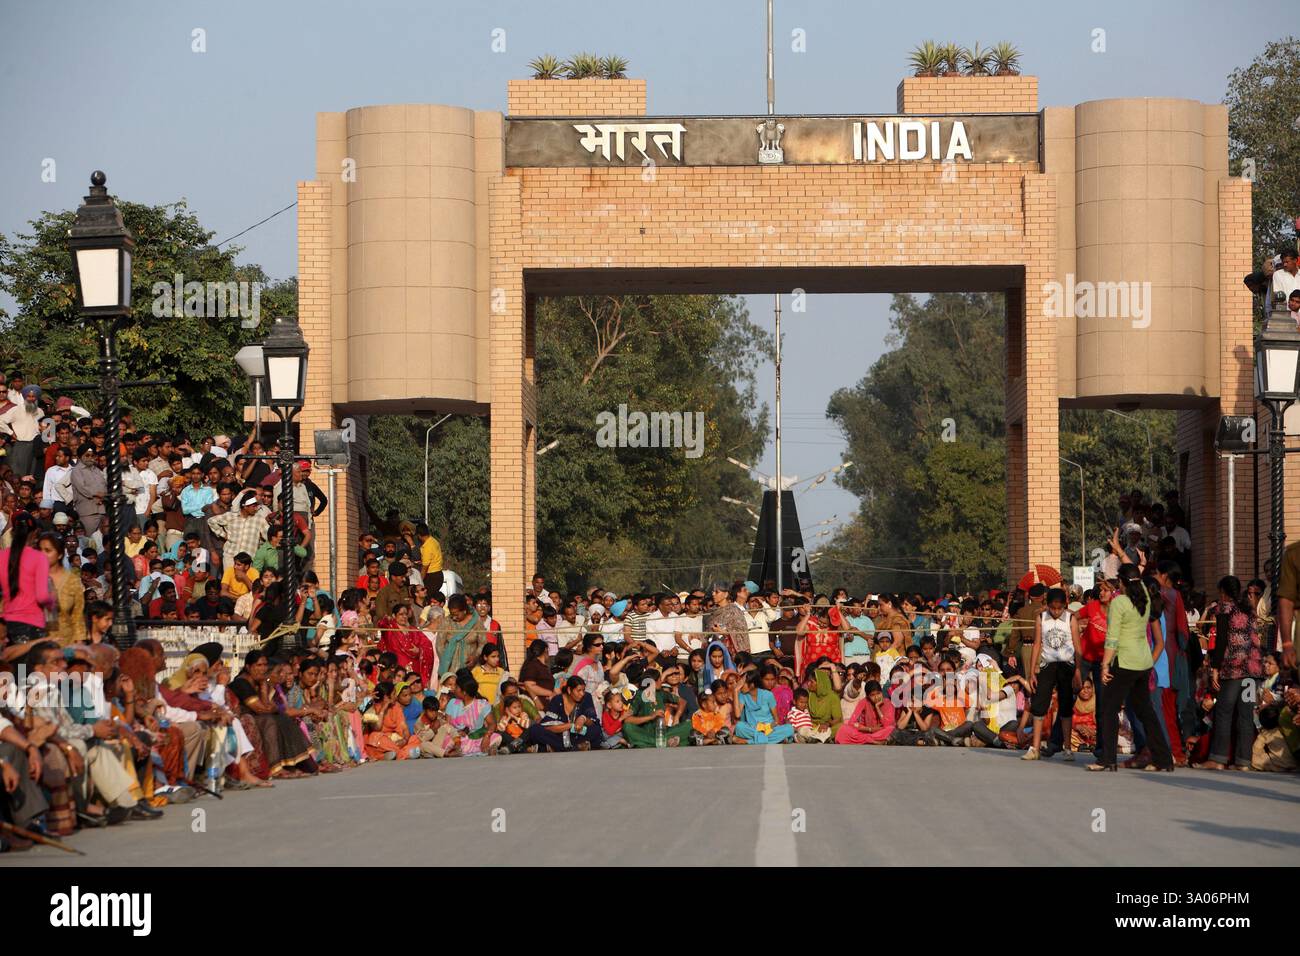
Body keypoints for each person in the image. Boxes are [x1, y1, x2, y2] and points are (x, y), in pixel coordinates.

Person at [1091, 565, 1175, 772]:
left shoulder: (1119, 602)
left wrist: (1105, 666)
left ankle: (1107, 759)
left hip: (1126, 661)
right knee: (1146, 711)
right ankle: (1164, 759)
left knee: (1108, 709)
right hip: (1144, 661)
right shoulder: (1145, 596)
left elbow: (1112, 637)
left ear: (1121, 582)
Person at [1200, 576, 1264, 771]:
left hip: (1234, 669)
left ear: (1223, 592)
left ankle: (1218, 758)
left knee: (1224, 711)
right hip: (1253, 670)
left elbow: (1220, 643)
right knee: (1245, 714)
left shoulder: (1225, 609)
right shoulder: (1250, 611)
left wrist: (1215, 669)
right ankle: (1244, 761)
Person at [1023, 587, 1082, 761]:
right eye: (1053, 608)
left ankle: (1068, 748)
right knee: (1040, 704)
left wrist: (1078, 670)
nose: (1056, 612)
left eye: (1059, 608)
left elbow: (1078, 646)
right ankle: (1034, 748)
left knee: (1065, 706)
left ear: (1065, 605)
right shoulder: (1041, 617)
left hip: (1067, 665)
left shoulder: (1070, 618)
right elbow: (1036, 644)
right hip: (1047, 664)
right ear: (1047, 605)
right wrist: (1033, 671)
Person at [732, 668, 794, 744]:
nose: (740, 686)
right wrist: (735, 691)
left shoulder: (768, 695)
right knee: (739, 727)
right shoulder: (743, 695)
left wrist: (768, 727)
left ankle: (748, 741)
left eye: (742, 684)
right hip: (753, 728)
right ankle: (774, 740)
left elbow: (776, 720)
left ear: (752, 684)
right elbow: (737, 715)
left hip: (769, 728)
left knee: (789, 728)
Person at [836, 681, 895, 745]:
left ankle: (867, 740)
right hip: (867, 732)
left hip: (881, 733)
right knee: (843, 729)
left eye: (878, 693)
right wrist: (870, 729)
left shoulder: (888, 703)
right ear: (868, 696)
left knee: (891, 729)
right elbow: (852, 722)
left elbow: (887, 725)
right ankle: (872, 741)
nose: (876, 697)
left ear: (881, 692)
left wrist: (877, 708)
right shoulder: (864, 702)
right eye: (872, 695)